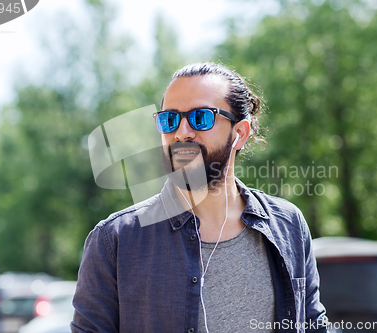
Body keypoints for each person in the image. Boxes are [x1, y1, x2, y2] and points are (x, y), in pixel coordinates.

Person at [71, 62, 328, 333]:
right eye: (170, 119)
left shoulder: (288, 225)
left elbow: (313, 325)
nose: (181, 132)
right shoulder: (115, 241)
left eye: (200, 117)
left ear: (239, 133)